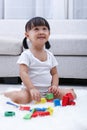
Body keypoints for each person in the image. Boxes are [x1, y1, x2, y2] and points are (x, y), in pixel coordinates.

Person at [4, 17, 76, 104]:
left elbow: (54, 73)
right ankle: (8, 94)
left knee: (72, 95)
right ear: (27, 35)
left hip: (48, 92)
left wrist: (54, 86)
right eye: (36, 29)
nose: (41, 32)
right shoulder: (26, 55)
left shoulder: (50, 55)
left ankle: (67, 90)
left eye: (44, 29)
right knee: (22, 98)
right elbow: (23, 73)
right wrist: (32, 89)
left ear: (49, 34)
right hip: (30, 92)